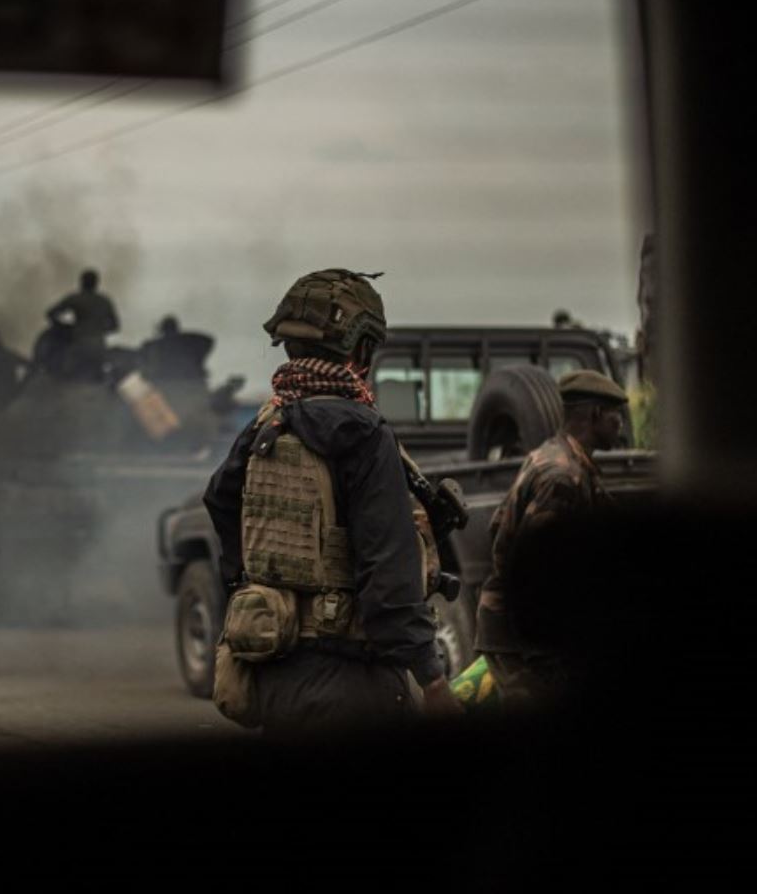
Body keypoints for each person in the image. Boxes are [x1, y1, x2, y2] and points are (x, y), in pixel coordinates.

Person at [202, 268, 461, 734]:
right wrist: (434, 680)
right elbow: (389, 579)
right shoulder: (364, 433)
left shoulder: (269, 421)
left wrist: (260, 589)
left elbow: (220, 498)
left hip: (275, 674)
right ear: (362, 349)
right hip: (354, 681)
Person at [475, 368, 628, 708]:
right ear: (597, 414)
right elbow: (535, 571)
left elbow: (499, 526)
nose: (622, 425)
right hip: (524, 642)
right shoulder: (562, 476)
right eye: (617, 415)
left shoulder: (554, 456)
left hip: (519, 634)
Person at [44, 268, 120, 380]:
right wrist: (99, 330)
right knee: (98, 380)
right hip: (98, 346)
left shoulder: (76, 299)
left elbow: (50, 313)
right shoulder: (104, 301)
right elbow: (115, 326)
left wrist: (64, 327)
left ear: (82, 282)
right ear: (96, 283)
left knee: (65, 379)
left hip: (78, 345)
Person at [139, 315, 214, 383]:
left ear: (162, 329)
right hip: (191, 382)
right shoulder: (188, 341)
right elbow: (209, 341)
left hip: (167, 383)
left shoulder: (156, 345)